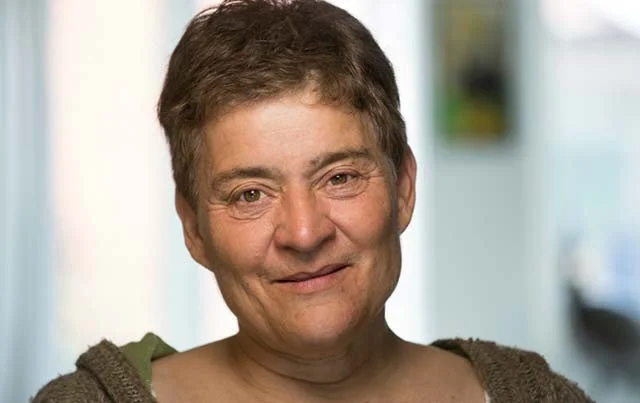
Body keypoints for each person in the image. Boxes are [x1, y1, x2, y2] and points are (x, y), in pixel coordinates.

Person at [33, 0, 593, 402]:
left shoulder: (537, 396)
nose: (304, 233)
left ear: (402, 188)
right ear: (194, 228)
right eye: (250, 194)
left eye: (339, 178)